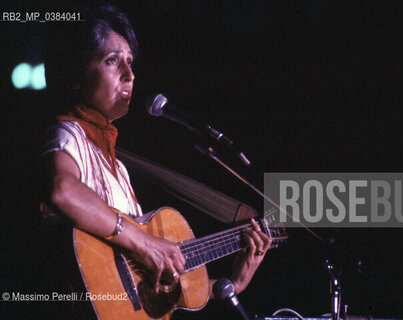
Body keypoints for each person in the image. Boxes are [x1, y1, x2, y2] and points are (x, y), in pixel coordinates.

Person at [43, 4, 271, 318]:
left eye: (130, 62)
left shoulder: (117, 168)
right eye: (112, 60)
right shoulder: (67, 132)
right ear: (75, 75)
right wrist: (144, 243)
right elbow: (64, 192)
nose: (129, 74)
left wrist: (233, 282)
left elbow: (151, 285)